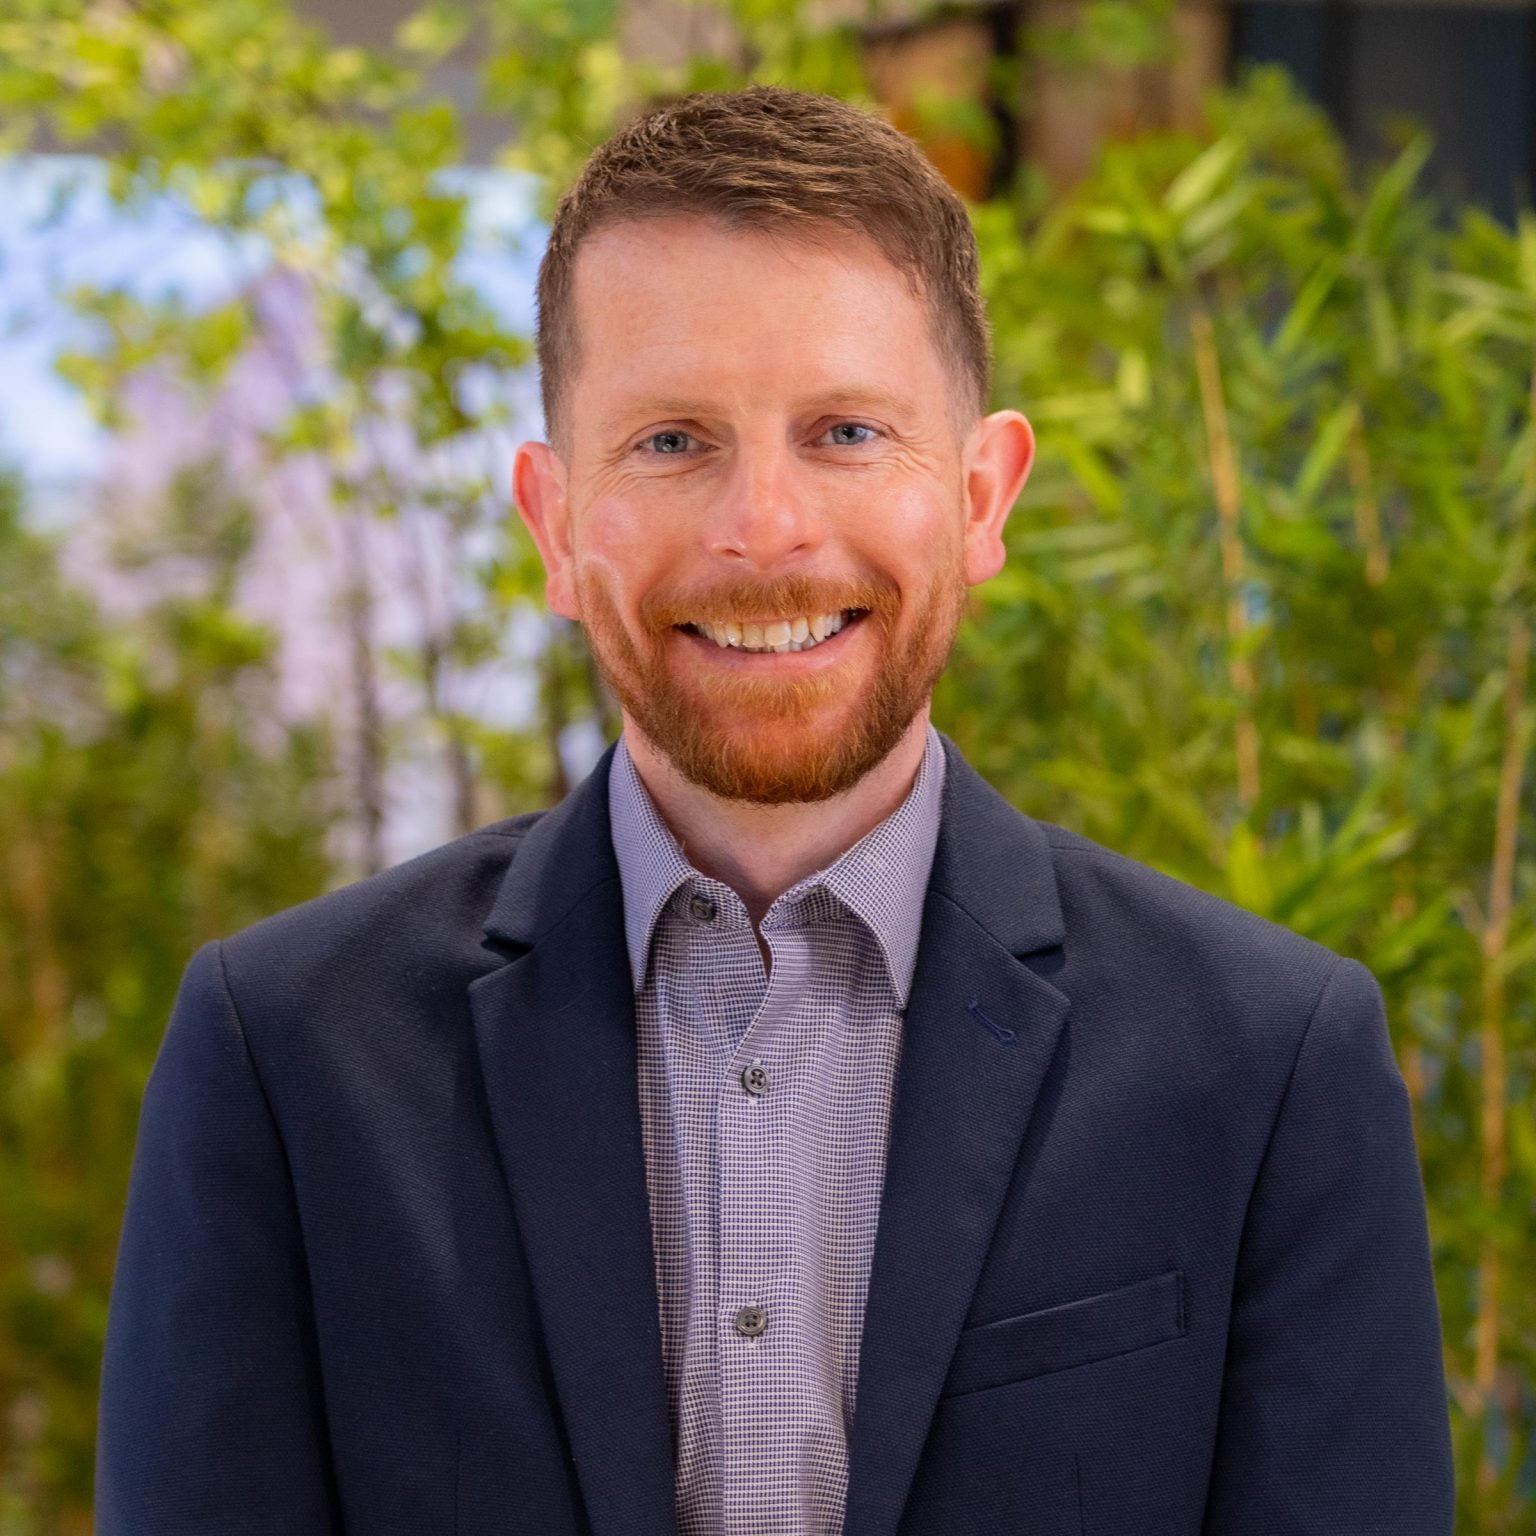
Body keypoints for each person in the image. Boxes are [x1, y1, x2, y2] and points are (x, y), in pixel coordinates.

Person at [95, 86, 1454, 1536]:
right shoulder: (285, 1057)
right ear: (553, 523)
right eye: (671, 441)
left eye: (847, 431)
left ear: (983, 498)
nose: (766, 530)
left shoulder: (1267, 1063)